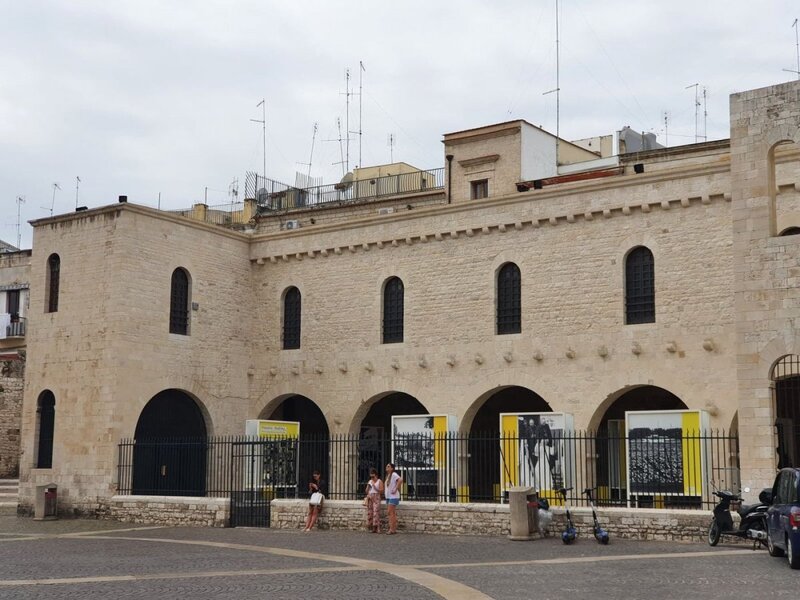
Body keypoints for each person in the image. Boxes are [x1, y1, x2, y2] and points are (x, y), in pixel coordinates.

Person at [384, 463, 403, 534]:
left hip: (393, 496)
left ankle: (391, 529)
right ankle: (393, 529)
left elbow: (400, 480)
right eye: (387, 466)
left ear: (392, 468)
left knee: (390, 512)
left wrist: (396, 488)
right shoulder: (388, 476)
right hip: (389, 496)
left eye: (388, 466)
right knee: (392, 513)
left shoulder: (394, 474)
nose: (387, 467)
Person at [364, 468, 383, 533]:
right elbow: (366, 491)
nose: (372, 478)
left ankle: (378, 527)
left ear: (376, 475)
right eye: (371, 476)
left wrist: (375, 487)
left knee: (376, 512)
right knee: (370, 512)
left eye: (373, 476)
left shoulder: (379, 481)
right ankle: (373, 528)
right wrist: (368, 487)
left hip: (376, 497)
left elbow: (381, 491)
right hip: (370, 497)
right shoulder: (370, 481)